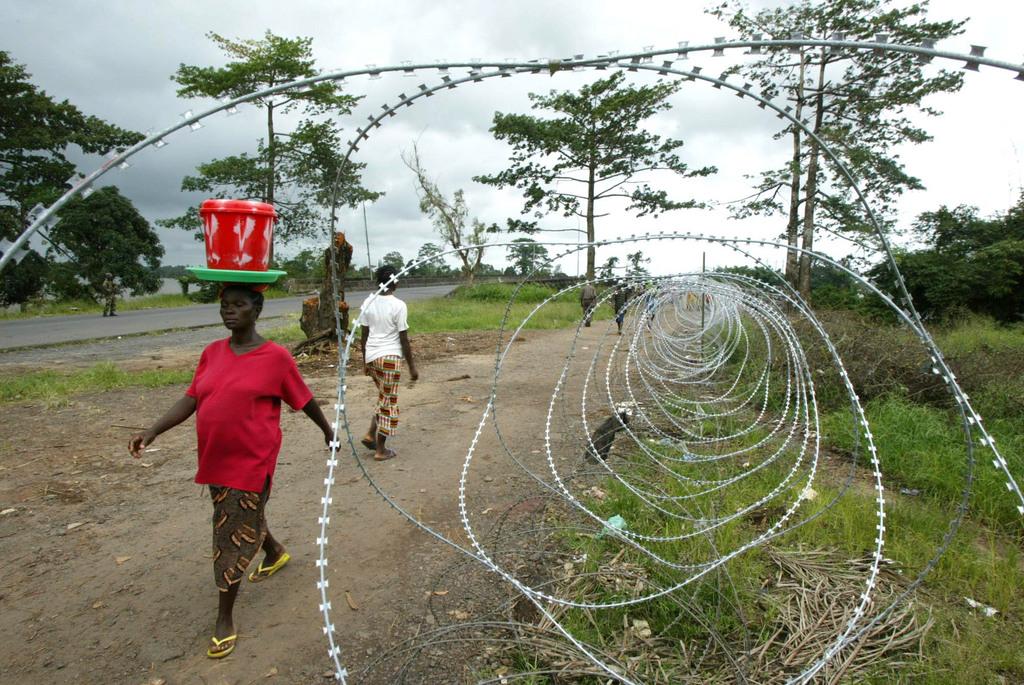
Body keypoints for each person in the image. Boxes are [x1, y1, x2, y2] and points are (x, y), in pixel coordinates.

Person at [127, 283, 334, 659]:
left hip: (253, 457)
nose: (229, 311)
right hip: (215, 457)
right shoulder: (211, 353)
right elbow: (192, 397)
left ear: (257, 310)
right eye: (225, 305)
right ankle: (273, 551)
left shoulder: (275, 357)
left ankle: (224, 618)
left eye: (238, 305)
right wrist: (152, 430)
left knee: (229, 531)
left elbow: (304, 399)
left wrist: (328, 432)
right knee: (237, 515)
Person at [359, 265, 419, 461]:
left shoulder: (368, 302)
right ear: (396, 282)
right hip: (390, 358)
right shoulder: (399, 305)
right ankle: (380, 449)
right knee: (389, 402)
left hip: (373, 357)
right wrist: (412, 367)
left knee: (384, 397)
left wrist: (365, 360)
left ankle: (370, 434)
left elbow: (364, 335)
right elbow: (403, 339)